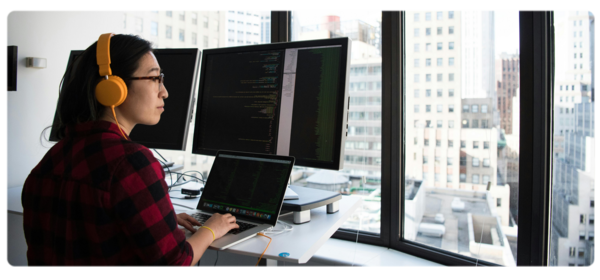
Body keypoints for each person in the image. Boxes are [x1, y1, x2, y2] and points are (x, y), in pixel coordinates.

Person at [22, 34, 239, 269]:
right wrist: (210, 229)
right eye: (155, 78)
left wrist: (158, 220)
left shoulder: (51, 160)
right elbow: (175, 262)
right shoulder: (131, 162)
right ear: (113, 88)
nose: (164, 92)